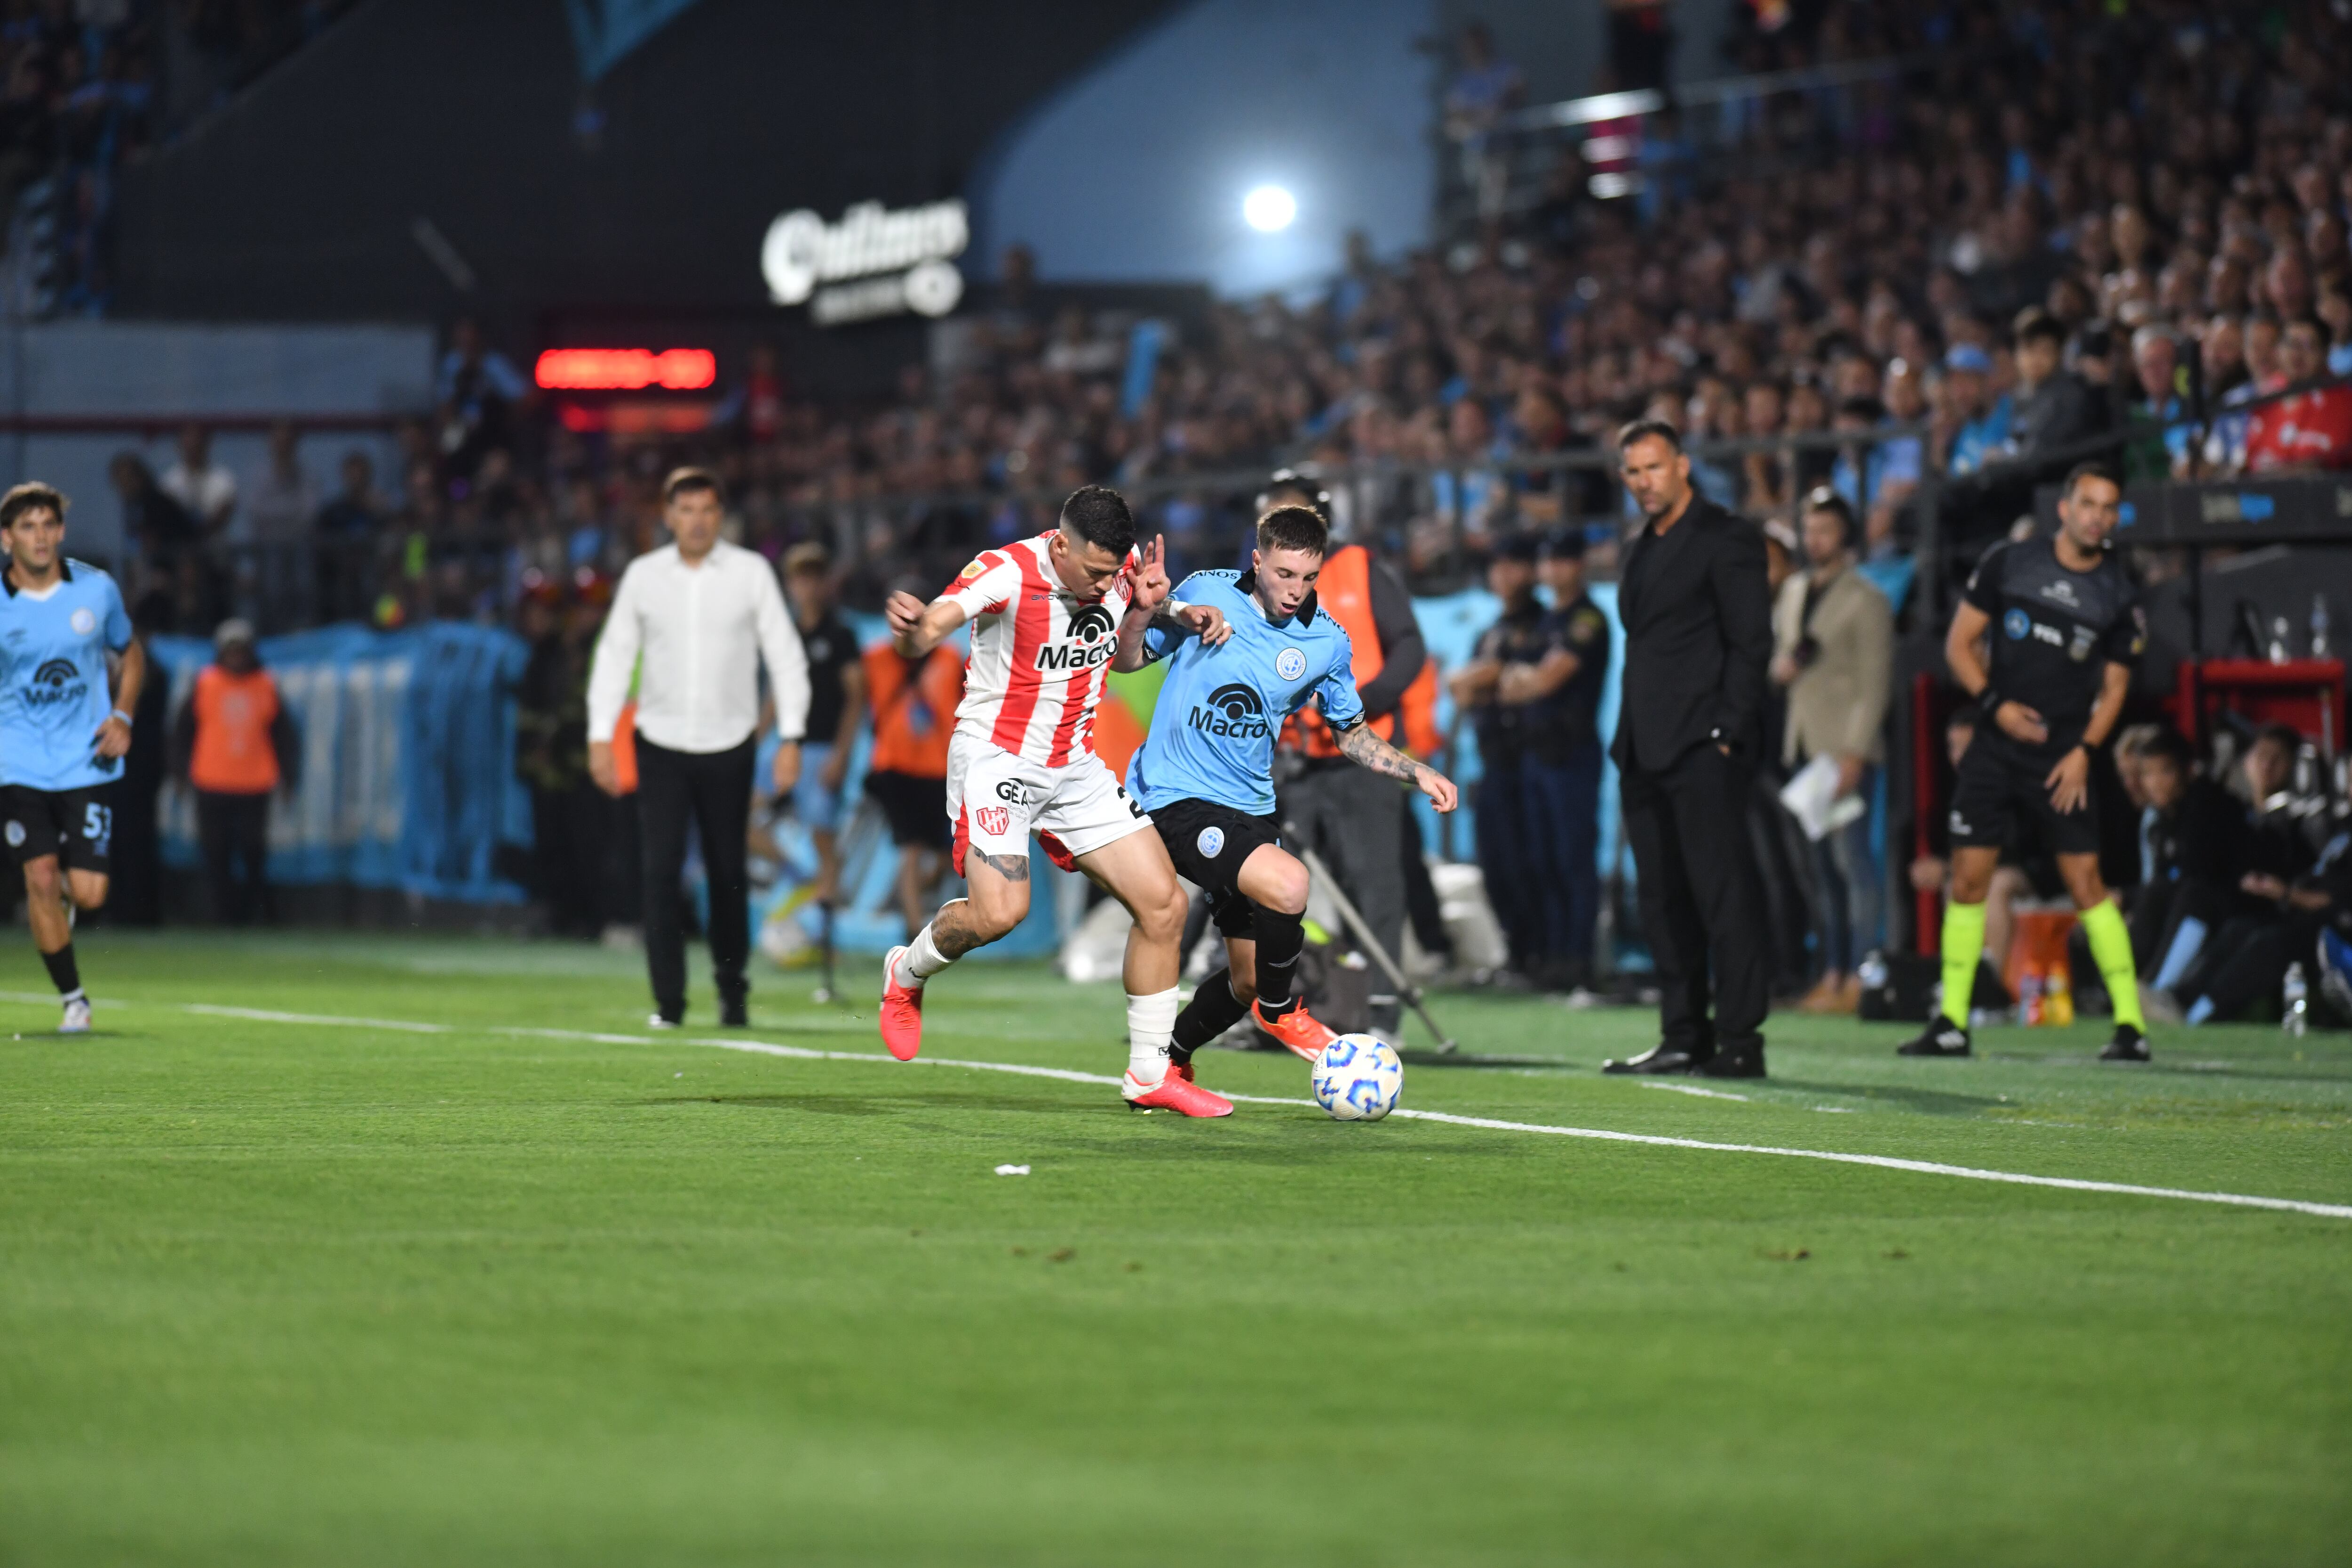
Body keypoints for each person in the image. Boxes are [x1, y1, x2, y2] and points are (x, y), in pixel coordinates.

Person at [874, 486, 1234, 1116]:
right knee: (1000, 914)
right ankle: (906, 972)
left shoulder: (1119, 573)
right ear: (1062, 544)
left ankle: (1150, 1073)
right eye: (1095, 572)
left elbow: (1119, 661)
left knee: (1164, 904)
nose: (1104, 585)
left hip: (1075, 768)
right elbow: (932, 627)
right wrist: (911, 631)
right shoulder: (1005, 570)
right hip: (998, 761)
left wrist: (1154, 610)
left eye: (1111, 573)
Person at [1122, 503, 1459, 1075]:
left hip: (1250, 807)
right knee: (1289, 882)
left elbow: (1350, 734)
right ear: (1257, 561)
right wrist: (1145, 611)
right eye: (1283, 574)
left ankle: (1167, 1063)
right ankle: (1281, 1012)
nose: (1295, 590)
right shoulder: (1207, 592)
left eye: (1308, 578)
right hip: (1173, 795)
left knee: (1246, 977)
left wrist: (1416, 772)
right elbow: (1128, 660)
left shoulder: (1327, 643)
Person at [1903, 463, 2149, 1062]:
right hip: (1994, 744)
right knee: (1967, 878)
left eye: (2108, 507)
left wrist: (2083, 754)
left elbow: (2114, 691)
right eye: (2087, 503)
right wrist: (1995, 705)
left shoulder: (2117, 593)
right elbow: (1959, 644)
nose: (2097, 516)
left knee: (2086, 884)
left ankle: (2130, 1028)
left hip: (2061, 756)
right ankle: (1952, 1022)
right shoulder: (2009, 563)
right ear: (2063, 509)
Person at [587, 468, 809, 1030]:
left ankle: (732, 994)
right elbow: (613, 658)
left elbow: (785, 656)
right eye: (686, 511)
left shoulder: (750, 573)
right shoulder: (643, 577)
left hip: (729, 744)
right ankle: (669, 1004)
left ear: (721, 515)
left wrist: (791, 737)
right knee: (658, 873)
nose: (697, 521)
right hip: (659, 742)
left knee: (727, 873)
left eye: (707, 510)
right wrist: (598, 736)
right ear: (668, 516)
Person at [1601, 420, 1775, 1078]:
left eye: (1654, 467)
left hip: (1704, 744)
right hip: (1644, 748)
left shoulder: (1727, 537)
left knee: (1722, 894)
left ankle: (1739, 1040)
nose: (1645, 481)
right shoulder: (1642, 546)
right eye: (1634, 472)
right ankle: (1683, 1035)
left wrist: (1728, 732)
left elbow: (1751, 643)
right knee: (1663, 900)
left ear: (1682, 465)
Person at [1266, 471, 1430, 1042]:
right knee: (1268, 884)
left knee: (1373, 884)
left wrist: (1364, 705)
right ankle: (1270, 1005)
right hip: (1294, 762)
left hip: (1361, 759)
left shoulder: (1359, 568)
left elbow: (1409, 644)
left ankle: (1381, 1012)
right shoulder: (1257, 586)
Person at [0, 483, 143, 1033]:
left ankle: (64, 881)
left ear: (60, 532)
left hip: (85, 759)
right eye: (28, 527)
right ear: (7, 537)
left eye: (48, 525)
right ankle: (74, 1000)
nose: (40, 537)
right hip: (18, 762)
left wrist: (123, 716)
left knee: (89, 892)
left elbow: (130, 653)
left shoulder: (95, 591)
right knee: (39, 878)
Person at [1770, 488, 1894, 1013]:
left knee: (1852, 865)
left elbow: (1874, 684)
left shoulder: (1866, 599)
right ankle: (1832, 971)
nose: (1814, 539)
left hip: (1841, 751)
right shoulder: (1793, 590)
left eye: (1824, 529)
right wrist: (1784, 668)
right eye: (1809, 528)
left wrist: (1854, 752)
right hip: (1803, 744)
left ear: (1844, 535)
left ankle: (1861, 976)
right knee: (1821, 870)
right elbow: (1780, 662)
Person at [1450, 535, 1547, 982]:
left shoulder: (1542, 625)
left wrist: (1481, 679)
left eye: (1515, 566)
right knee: (1497, 863)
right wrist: (1480, 680)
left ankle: (1540, 955)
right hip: (1493, 760)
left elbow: (1501, 681)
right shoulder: (1492, 630)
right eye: (1499, 567)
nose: (1504, 577)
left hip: (1529, 761)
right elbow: (1463, 688)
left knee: (1532, 861)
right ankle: (1514, 953)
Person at [171, 619, 298, 925]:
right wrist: (179, 773)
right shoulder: (206, 682)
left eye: (242, 651)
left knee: (254, 851)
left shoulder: (265, 684)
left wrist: (288, 776)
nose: (237, 657)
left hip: (255, 780)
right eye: (231, 651)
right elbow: (181, 732)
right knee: (216, 853)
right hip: (212, 780)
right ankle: (223, 916)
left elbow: (284, 735)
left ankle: (253, 914)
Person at [860, 604, 961, 939]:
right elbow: (858, 706)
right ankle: (913, 925)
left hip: (939, 766)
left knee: (948, 853)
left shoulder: (950, 658)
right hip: (894, 765)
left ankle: (907, 898)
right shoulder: (875, 658)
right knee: (911, 846)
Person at [782, 544, 865, 906]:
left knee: (821, 830)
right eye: (801, 578)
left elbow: (856, 696)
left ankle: (826, 900)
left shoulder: (840, 634)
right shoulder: (787, 634)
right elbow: (777, 694)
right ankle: (808, 877)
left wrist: (841, 753)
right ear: (791, 585)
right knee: (741, 813)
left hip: (823, 747)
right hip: (788, 746)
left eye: (815, 578)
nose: (808, 586)